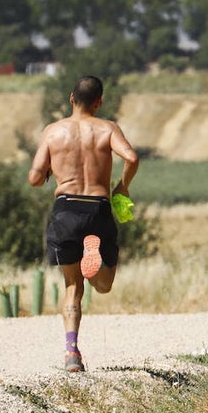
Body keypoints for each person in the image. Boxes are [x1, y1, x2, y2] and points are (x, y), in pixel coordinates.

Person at [28, 75, 139, 372]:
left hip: (66, 209)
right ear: (99, 102)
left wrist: (52, 172)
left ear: (71, 98)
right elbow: (131, 157)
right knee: (102, 285)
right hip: (98, 208)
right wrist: (122, 187)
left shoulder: (53, 132)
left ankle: (71, 353)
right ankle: (96, 263)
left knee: (72, 286)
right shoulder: (107, 129)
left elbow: (34, 178)